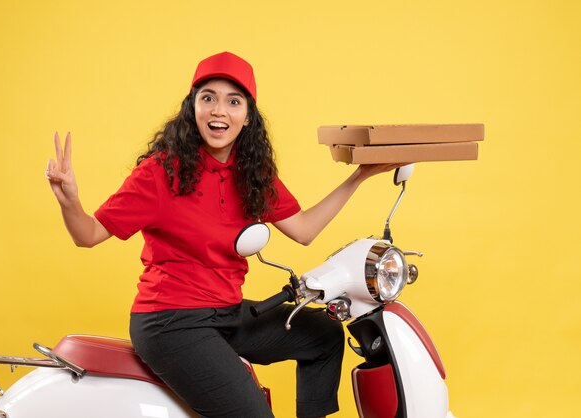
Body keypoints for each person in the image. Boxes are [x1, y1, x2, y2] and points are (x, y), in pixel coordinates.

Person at [45, 51, 398, 418]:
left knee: (323, 333)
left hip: (226, 313)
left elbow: (304, 229)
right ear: (192, 109)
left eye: (233, 101)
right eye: (208, 98)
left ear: (247, 117)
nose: (219, 110)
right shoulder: (160, 172)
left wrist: (359, 176)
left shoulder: (252, 172)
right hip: (171, 322)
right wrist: (69, 200)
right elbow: (88, 234)